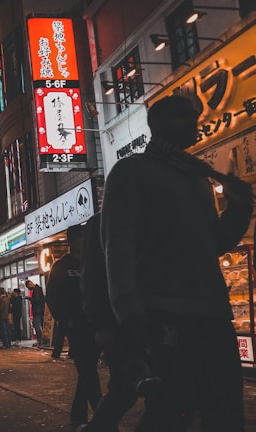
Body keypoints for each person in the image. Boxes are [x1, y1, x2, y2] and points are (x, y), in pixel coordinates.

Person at [101, 95, 253, 431]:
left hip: (213, 311)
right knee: (172, 408)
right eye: (184, 118)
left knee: (224, 408)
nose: (194, 126)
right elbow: (118, 245)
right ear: (160, 124)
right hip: (164, 313)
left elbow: (213, 243)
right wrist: (127, 309)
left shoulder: (198, 178)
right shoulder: (131, 172)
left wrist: (239, 209)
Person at [79, 213, 138, 432]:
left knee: (169, 393)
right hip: (123, 320)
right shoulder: (104, 222)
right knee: (125, 388)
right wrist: (103, 324)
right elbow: (93, 277)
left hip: (163, 314)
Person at [45, 223, 102, 431]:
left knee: (87, 372)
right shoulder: (62, 266)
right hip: (77, 328)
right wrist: (65, 319)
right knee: (88, 371)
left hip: (95, 325)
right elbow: (51, 297)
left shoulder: (92, 262)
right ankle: (104, 417)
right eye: (81, 238)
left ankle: (78, 415)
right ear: (73, 241)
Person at [25, 280, 46, 346]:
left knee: (37, 325)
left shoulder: (37, 290)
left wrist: (30, 299)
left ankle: (40, 340)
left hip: (38, 310)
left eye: (28, 287)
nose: (29, 289)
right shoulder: (38, 289)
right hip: (39, 310)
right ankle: (40, 340)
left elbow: (37, 300)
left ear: (30, 284)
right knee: (38, 325)